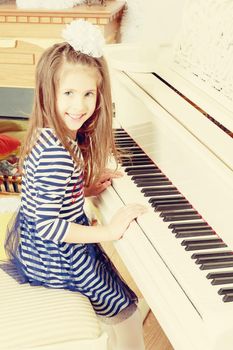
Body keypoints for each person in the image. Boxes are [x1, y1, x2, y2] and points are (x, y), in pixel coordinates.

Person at [4, 20, 146, 350]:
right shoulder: (58, 152)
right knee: (125, 310)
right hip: (60, 257)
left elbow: (48, 195)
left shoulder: (53, 136)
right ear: (48, 93)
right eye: (68, 93)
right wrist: (109, 231)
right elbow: (50, 225)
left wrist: (85, 189)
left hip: (45, 251)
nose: (79, 106)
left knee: (119, 299)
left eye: (88, 94)